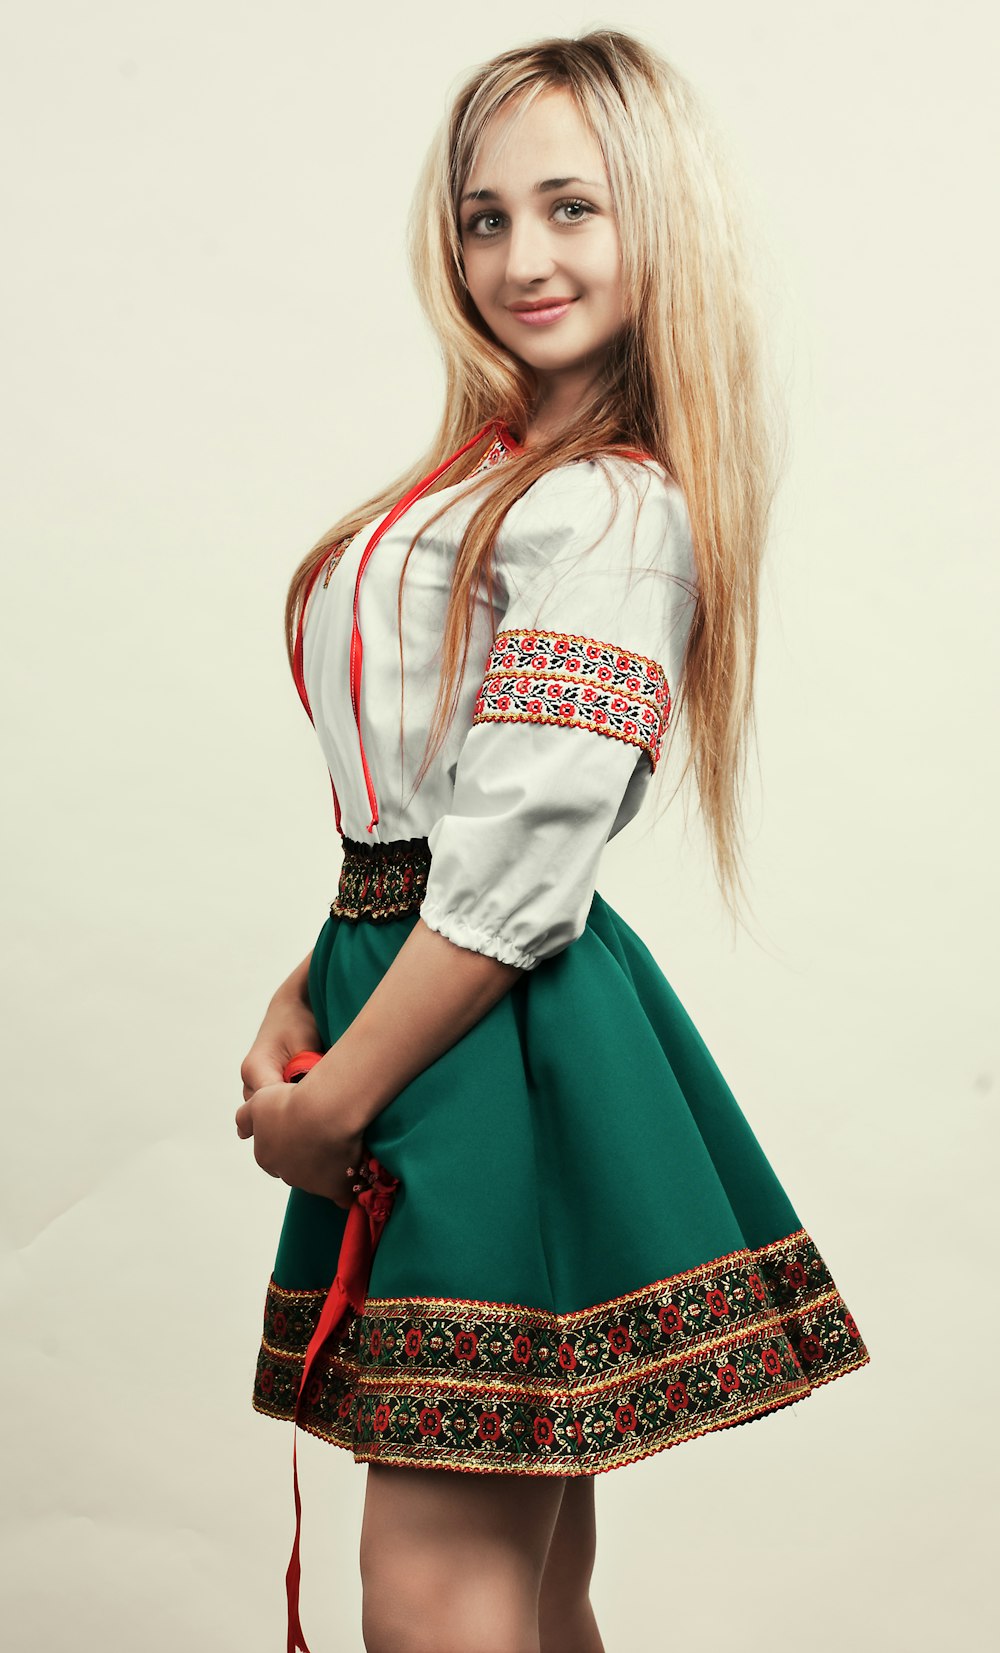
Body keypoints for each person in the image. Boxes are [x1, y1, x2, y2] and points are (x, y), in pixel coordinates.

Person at [235, 29, 871, 1653]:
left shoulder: (609, 508)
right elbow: (425, 810)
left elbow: (518, 867)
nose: (523, 256)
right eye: (485, 216)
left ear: (656, 222)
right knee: (518, 1580)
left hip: (477, 1043)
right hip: (413, 1009)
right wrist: (299, 992)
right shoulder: (491, 473)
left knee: (439, 1587)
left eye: (573, 208)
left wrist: (343, 1097)